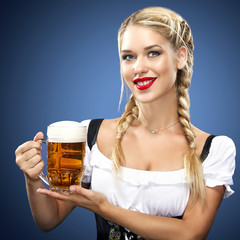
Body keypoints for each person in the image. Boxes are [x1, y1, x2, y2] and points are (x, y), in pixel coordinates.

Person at [15, 6, 236, 240]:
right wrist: (32, 178)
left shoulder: (214, 149)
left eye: (153, 53)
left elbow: (191, 234)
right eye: (128, 57)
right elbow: (49, 220)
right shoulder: (92, 133)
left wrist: (104, 207)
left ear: (180, 57)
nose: (138, 68)